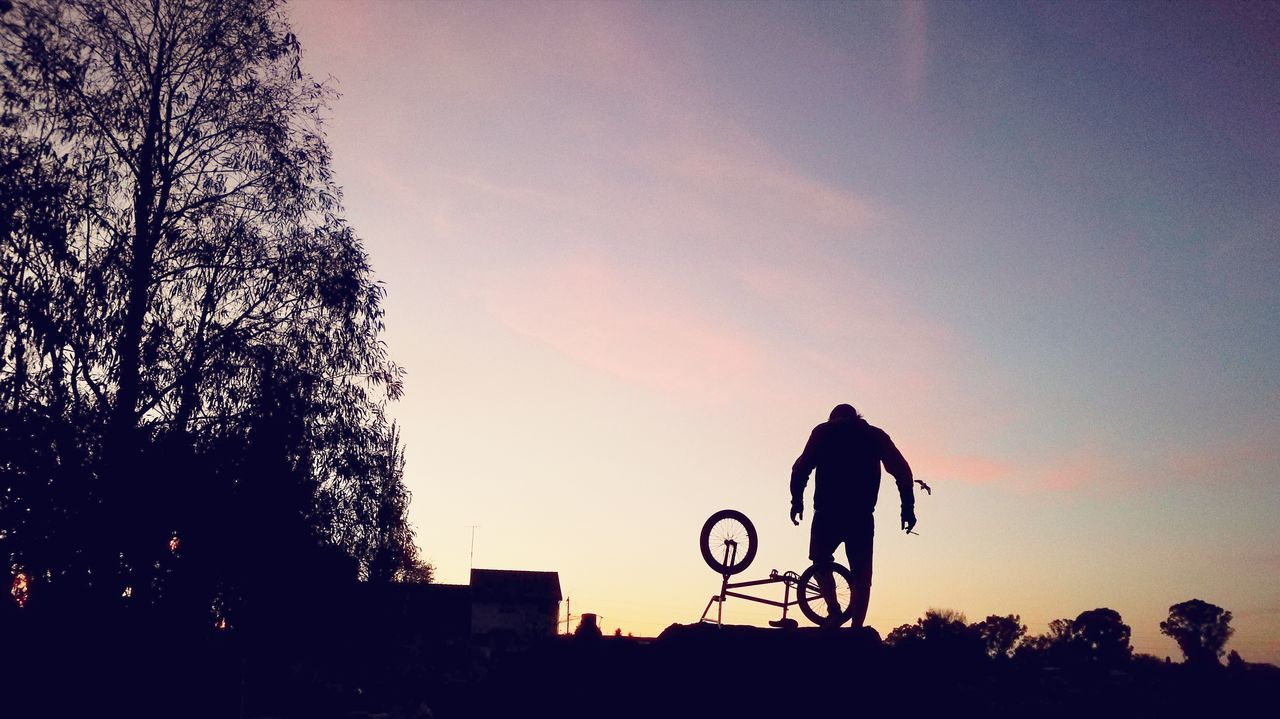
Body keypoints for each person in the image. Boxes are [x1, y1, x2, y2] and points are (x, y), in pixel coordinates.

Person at [790, 403, 915, 628]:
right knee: (862, 575)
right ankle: (856, 627)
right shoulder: (874, 435)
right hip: (861, 516)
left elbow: (801, 468)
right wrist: (907, 507)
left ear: (833, 418)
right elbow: (902, 470)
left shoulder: (824, 432)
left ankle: (834, 611)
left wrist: (797, 500)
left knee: (819, 560)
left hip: (828, 512)